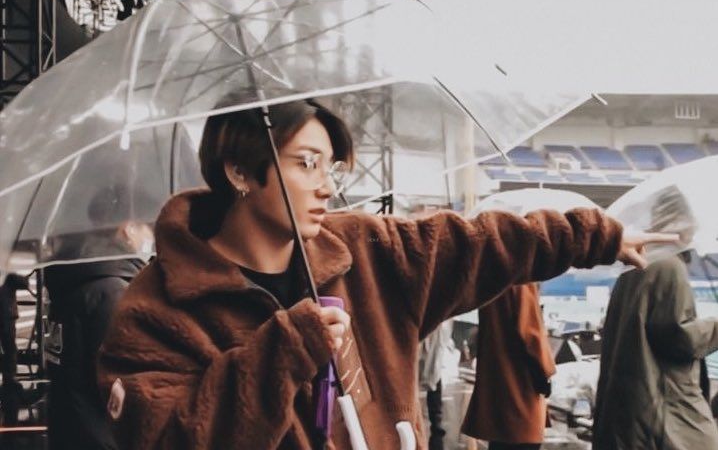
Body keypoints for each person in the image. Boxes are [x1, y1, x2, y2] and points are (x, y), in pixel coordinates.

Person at [96, 97, 672, 450]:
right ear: (239, 171)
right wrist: (284, 348)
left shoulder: (363, 250)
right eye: (305, 164)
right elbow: (171, 438)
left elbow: (479, 241)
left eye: (331, 166)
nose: (326, 184)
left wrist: (598, 234)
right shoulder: (156, 308)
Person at [593, 186, 718, 450]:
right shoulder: (669, 266)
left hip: (631, 409)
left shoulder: (635, 263)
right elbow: (679, 338)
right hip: (662, 413)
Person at [45, 183, 152, 450]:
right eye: (147, 227)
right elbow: (122, 384)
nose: (150, 236)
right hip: (101, 439)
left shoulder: (72, 280)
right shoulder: (113, 292)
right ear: (127, 228)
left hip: (68, 431)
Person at [462, 282, 555, 450]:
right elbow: (531, 332)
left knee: (500, 441)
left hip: (498, 389)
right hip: (521, 389)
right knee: (523, 440)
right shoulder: (522, 279)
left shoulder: (494, 279)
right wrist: (545, 372)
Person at [419, 320, 454, 450]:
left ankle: (435, 420)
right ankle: (435, 420)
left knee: (434, 374)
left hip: (436, 333)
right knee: (434, 375)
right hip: (434, 332)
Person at [0, 273, 28, 426]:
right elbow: (24, 283)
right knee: (10, 348)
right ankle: (9, 378)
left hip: (5, 313)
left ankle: (9, 377)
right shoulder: (9, 275)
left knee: (9, 347)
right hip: (7, 313)